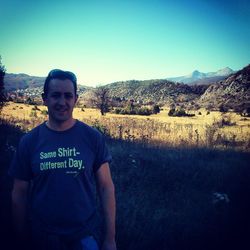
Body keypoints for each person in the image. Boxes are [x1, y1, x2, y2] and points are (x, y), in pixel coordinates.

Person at [9, 69, 116, 250]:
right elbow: (19, 194)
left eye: (68, 96)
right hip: (42, 237)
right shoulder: (29, 141)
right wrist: (20, 239)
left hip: (85, 236)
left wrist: (110, 239)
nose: (62, 102)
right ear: (45, 99)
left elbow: (106, 187)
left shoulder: (92, 137)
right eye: (55, 95)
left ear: (75, 99)